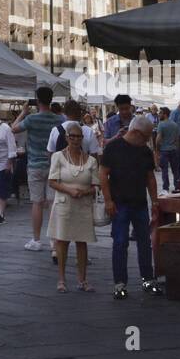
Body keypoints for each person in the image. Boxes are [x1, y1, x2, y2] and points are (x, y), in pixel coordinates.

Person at [99, 114, 163, 299]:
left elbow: (150, 177)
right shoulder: (113, 148)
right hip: (119, 204)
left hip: (140, 203)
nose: (147, 141)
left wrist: (155, 201)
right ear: (135, 132)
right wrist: (108, 200)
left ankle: (147, 279)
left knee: (145, 242)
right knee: (120, 243)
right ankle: (120, 283)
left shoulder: (144, 151)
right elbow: (103, 174)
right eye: (145, 136)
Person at [47, 124, 100, 292]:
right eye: (72, 136)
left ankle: (82, 280)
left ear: (82, 139)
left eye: (79, 136)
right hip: (64, 203)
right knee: (62, 241)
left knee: (82, 241)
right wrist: (70, 190)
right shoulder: (58, 157)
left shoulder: (91, 160)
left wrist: (84, 192)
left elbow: (96, 186)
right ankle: (61, 279)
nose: (76, 139)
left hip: (83, 204)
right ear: (67, 137)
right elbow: (52, 181)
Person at [12, 87, 61, 250]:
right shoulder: (59, 119)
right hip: (54, 165)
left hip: (34, 165)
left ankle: (37, 240)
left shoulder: (31, 119)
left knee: (37, 203)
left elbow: (13, 128)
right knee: (53, 203)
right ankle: (55, 242)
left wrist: (23, 112)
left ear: (37, 100)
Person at [154, 106, 180, 192]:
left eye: (160, 113)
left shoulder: (161, 124)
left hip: (164, 150)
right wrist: (176, 148)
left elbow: (158, 139)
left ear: (165, 114)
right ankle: (177, 186)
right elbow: (177, 140)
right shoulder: (175, 125)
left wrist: (157, 150)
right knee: (175, 170)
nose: (159, 114)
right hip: (173, 150)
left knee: (164, 171)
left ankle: (166, 188)